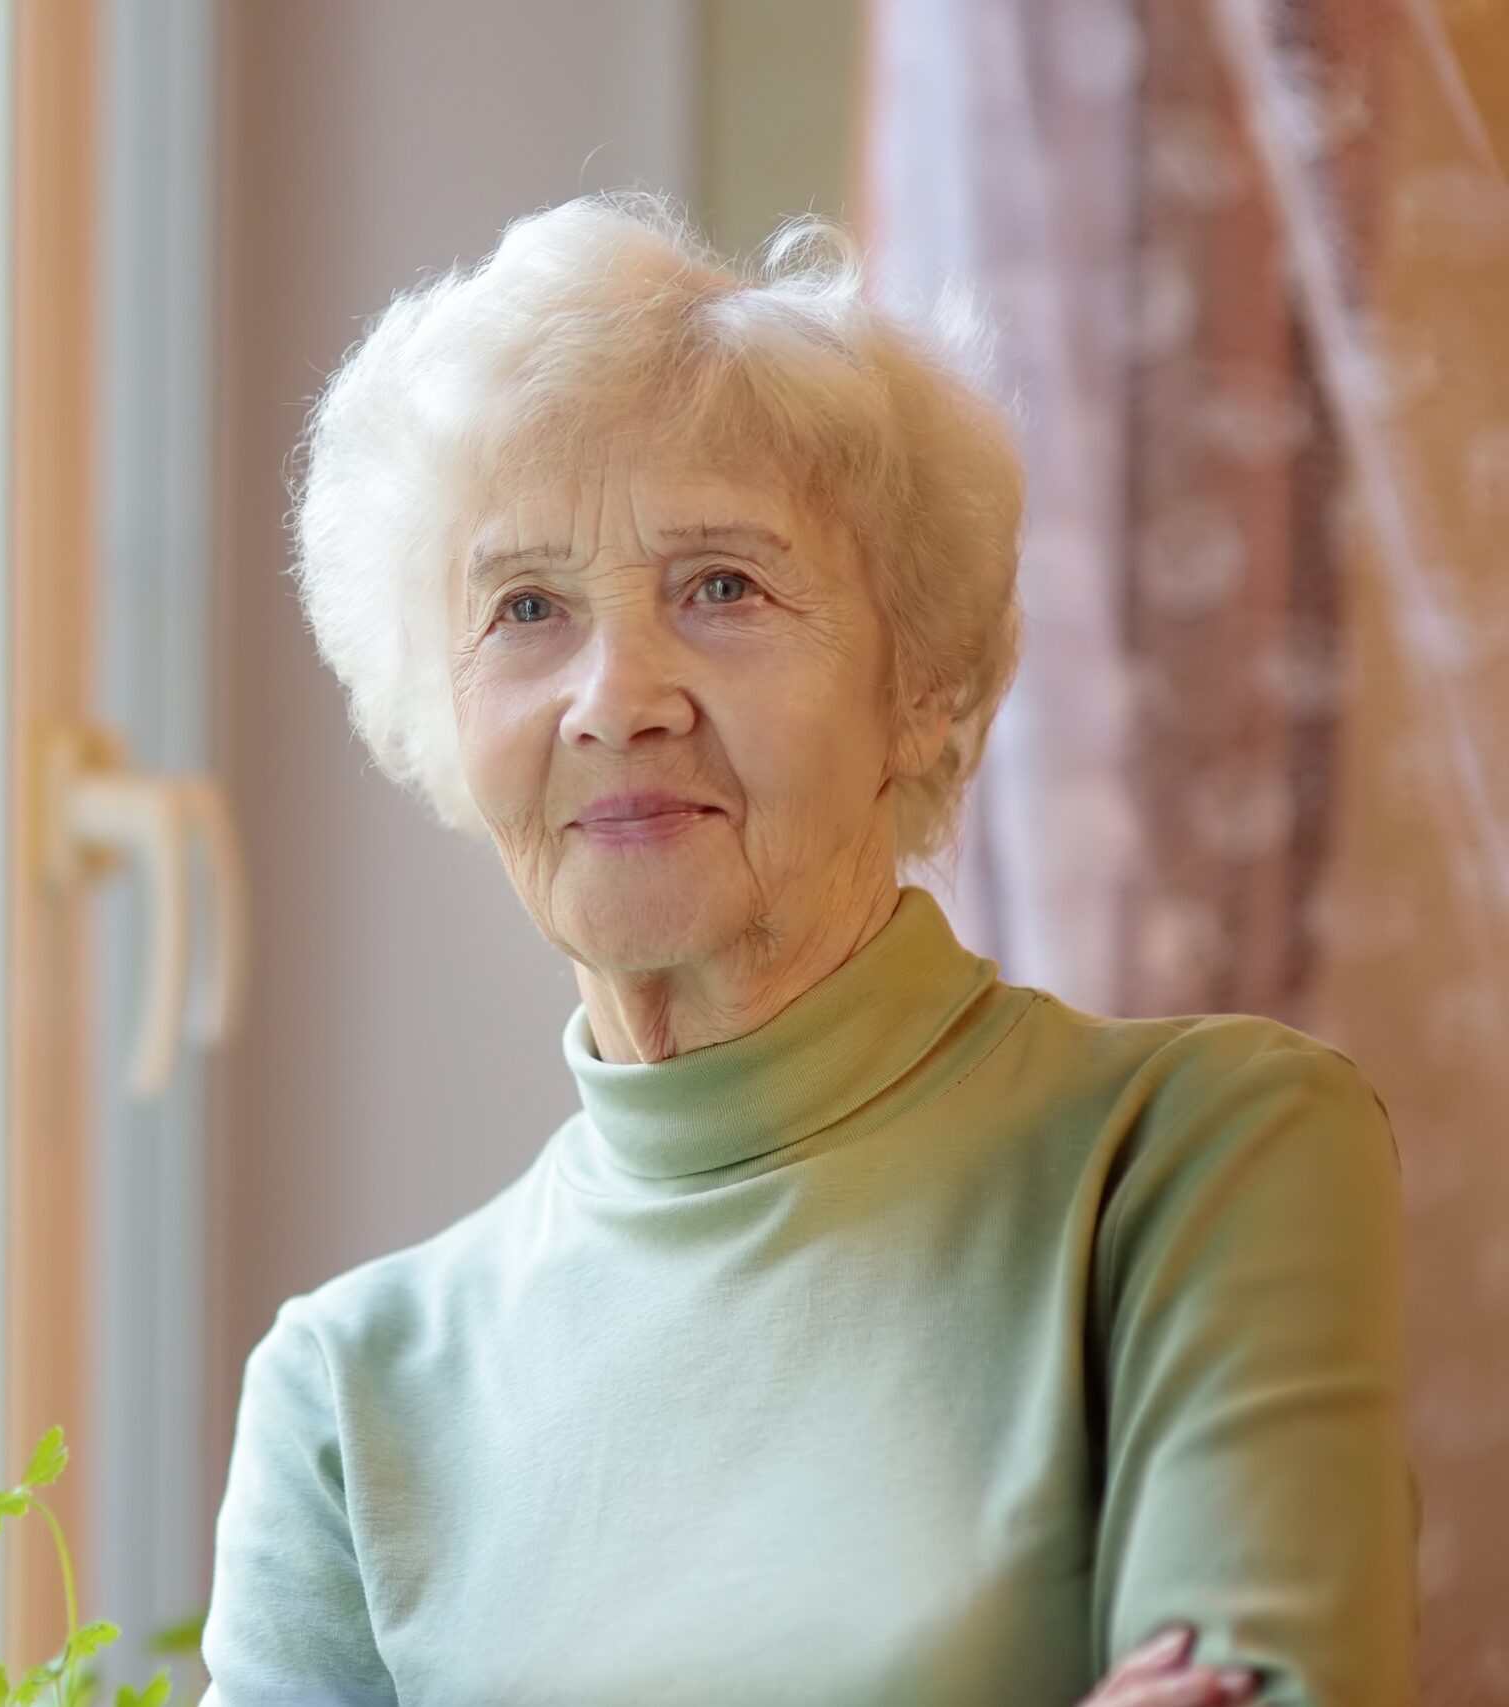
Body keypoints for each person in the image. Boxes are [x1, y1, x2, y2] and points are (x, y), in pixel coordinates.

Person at [196, 191, 1419, 1706]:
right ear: (447, 723)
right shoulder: (348, 1389)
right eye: (525, 606)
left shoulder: (1197, 1161)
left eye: (722, 587)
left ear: (924, 689)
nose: (616, 696)